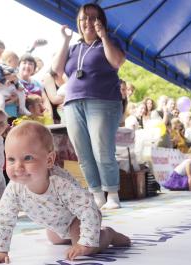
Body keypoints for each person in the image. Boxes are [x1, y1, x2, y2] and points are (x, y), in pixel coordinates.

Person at [0, 122, 130, 265]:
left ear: (49, 160)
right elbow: (4, 219)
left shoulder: (59, 183)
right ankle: (71, 237)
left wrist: (86, 242)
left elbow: (88, 208)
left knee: (83, 248)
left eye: (28, 158)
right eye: (11, 159)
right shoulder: (14, 188)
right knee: (55, 240)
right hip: (55, 223)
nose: (18, 167)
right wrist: (0, 251)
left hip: (76, 218)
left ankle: (108, 234)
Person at [51, 3, 126, 209]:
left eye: (93, 17)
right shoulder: (74, 48)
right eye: (84, 18)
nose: (88, 22)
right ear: (78, 22)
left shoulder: (110, 41)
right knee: (83, 153)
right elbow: (57, 69)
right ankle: (96, 195)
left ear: (101, 21)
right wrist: (65, 40)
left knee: (102, 150)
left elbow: (116, 62)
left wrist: (104, 37)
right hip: (73, 103)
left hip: (103, 102)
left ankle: (112, 194)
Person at [0, 51, 30, 115]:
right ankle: (1, 111)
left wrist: (18, 86)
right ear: (9, 61)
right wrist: (4, 81)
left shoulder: (14, 70)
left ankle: (22, 108)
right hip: (1, 90)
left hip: (11, 90)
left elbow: (16, 79)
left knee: (22, 92)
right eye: (15, 63)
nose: (16, 65)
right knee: (0, 101)